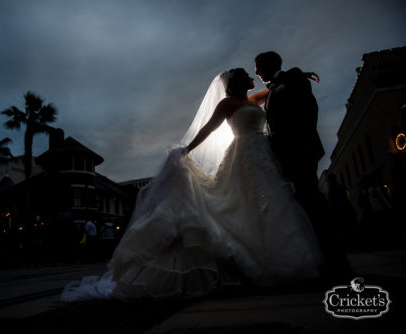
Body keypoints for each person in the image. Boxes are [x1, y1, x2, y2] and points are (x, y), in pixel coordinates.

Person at [61, 68, 325, 302]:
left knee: (272, 205)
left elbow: (276, 89)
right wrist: (187, 150)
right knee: (248, 203)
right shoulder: (227, 103)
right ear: (235, 81)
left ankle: (284, 259)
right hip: (244, 156)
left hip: (264, 155)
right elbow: (209, 128)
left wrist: (300, 76)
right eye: (246, 74)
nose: (251, 76)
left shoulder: (252, 100)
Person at [254, 51, 352, 278]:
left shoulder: (293, 77)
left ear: (271, 64)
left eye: (259, 66)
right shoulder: (271, 90)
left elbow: (309, 109)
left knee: (314, 203)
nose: (257, 72)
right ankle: (325, 259)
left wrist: (305, 144)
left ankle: (338, 263)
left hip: (301, 152)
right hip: (285, 158)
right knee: (305, 206)